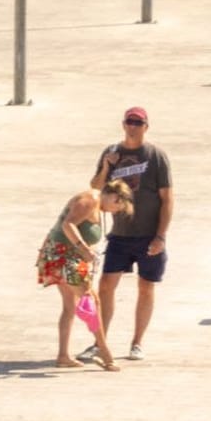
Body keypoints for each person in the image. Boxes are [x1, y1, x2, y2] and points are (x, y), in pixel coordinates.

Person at [87, 107, 173, 362]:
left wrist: (160, 236)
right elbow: (95, 189)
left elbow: (167, 199)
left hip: (149, 235)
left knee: (146, 286)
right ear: (123, 124)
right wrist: (106, 167)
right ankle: (98, 342)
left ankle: (137, 342)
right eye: (129, 122)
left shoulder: (156, 156)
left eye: (138, 122)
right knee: (106, 286)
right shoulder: (112, 152)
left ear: (147, 126)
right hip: (120, 235)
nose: (133, 126)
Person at [41, 182, 134, 371]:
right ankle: (104, 351)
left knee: (70, 306)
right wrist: (83, 248)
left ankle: (63, 356)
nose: (116, 211)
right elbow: (68, 224)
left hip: (62, 254)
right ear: (113, 196)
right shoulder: (91, 199)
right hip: (63, 255)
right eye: (118, 206)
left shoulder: (98, 204)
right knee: (93, 301)